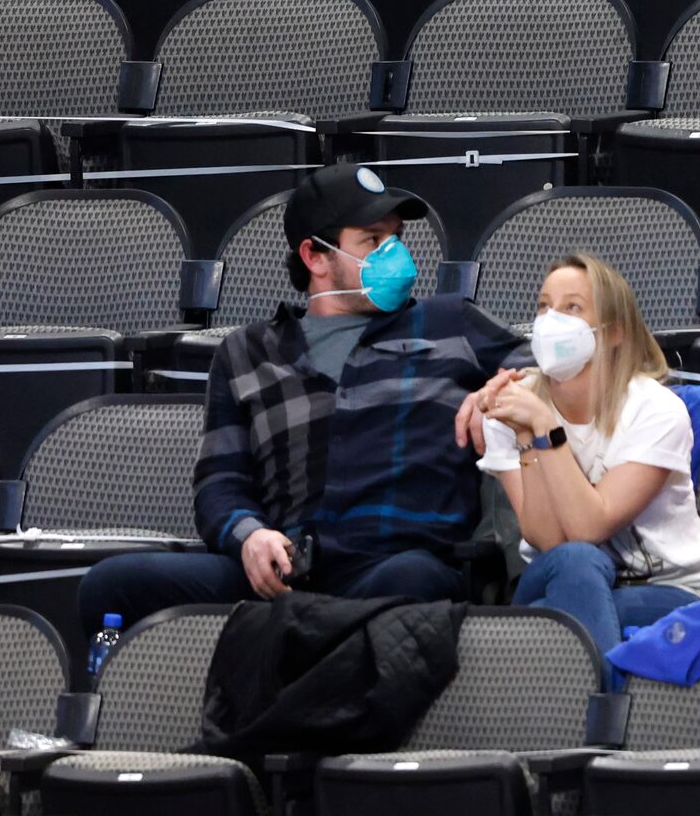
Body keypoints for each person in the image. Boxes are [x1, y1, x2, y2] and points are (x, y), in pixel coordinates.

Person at [77, 165, 517, 630]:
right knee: (113, 585)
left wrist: (503, 386)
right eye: (372, 241)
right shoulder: (246, 352)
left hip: (396, 565)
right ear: (314, 256)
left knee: (411, 581)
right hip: (287, 572)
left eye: (397, 239)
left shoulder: (451, 323)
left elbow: (553, 370)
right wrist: (250, 537)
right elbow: (219, 484)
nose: (397, 256)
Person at [455, 253, 700, 665]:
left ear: (614, 332)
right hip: (555, 574)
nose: (550, 320)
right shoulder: (512, 409)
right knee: (574, 563)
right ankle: (606, 717)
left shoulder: (655, 410)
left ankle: (583, 704)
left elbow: (589, 526)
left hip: (668, 586)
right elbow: (549, 541)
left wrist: (547, 427)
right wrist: (527, 434)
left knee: (548, 626)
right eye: (544, 306)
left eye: (572, 308)